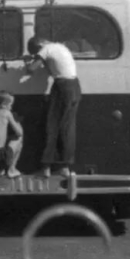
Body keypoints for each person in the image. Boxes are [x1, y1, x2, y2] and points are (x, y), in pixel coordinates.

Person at [23, 36, 82, 178]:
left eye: (35, 51)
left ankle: (46, 168)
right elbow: (54, 68)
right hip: (74, 86)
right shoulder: (61, 47)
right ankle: (64, 167)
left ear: (38, 46)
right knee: (67, 127)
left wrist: (27, 62)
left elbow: (31, 69)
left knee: (52, 125)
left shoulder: (46, 49)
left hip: (62, 87)